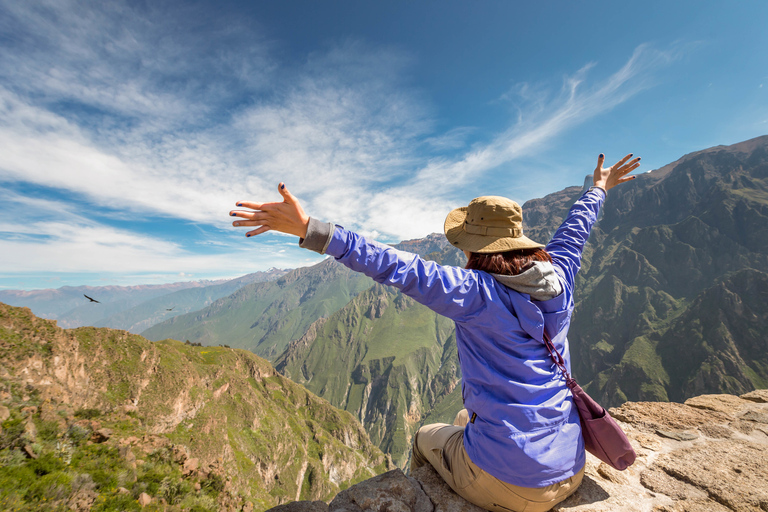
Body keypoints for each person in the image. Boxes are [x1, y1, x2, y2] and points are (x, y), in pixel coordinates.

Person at [230, 153, 640, 512]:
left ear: (474, 248)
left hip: (512, 487)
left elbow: (395, 266)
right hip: (571, 468)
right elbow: (575, 230)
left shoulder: (474, 293)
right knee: (465, 419)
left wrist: (310, 228)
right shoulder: (560, 275)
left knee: (426, 435)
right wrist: (597, 189)